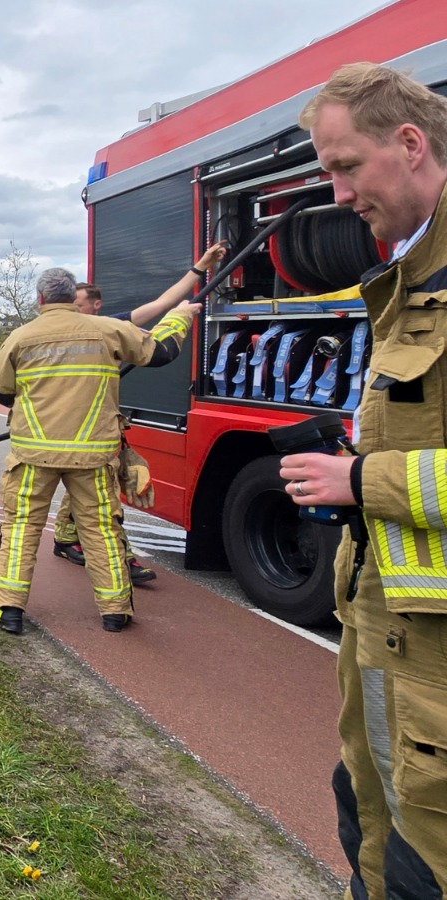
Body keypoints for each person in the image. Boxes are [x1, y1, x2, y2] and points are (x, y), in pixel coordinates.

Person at [280, 62, 447, 898]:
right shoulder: (410, 276)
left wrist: (361, 478)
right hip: (387, 643)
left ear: (409, 143)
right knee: (370, 835)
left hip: (434, 671)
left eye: (346, 167)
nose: (337, 196)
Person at [0, 268, 196, 635]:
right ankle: (116, 612)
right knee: (101, 531)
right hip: (94, 456)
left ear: (40, 300)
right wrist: (180, 316)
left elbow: (1, 390)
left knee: (21, 528)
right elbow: (161, 352)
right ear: (72, 297)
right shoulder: (106, 330)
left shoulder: (22, 336)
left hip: (34, 455)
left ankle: (8, 609)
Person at [52, 241, 229, 582]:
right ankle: (117, 562)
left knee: (84, 486)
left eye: (78, 305)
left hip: (93, 425)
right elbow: (161, 347)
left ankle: (66, 537)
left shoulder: (110, 328)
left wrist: (200, 267)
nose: (72, 311)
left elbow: (162, 303)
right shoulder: (67, 333)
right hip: (77, 430)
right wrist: (178, 319)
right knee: (101, 497)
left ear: (96, 306)